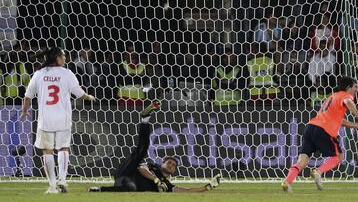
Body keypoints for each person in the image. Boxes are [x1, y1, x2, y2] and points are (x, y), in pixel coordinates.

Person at [88, 101, 221, 193]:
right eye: (169, 162)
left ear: (174, 171)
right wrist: (156, 179)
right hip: (127, 170)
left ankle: (98, 189)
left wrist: (207, 187)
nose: (171, 165)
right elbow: (141, 168)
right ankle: (145, 119)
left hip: (125, 182)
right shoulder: (154, 168)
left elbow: (186, 191)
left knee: (131, 189)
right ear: (162, 163)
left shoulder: (167, 186)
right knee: (142, 149)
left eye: (173, 165)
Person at [20, 47, 95, 194]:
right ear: (57, 58)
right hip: (63, 118)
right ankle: (62, 179)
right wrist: (89, 97)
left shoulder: (39, 74)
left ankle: (53, 186)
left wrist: (24, 110)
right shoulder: (67, 73)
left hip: (45, 119)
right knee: (63, 148)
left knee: (47, 151)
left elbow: (28, 96)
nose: (65, 58)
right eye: (64, 56)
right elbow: (79, 93)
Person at [282, 76, 358, 193]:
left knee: (302, 161)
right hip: (323, 130)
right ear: (348, 88)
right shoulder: (345, 95)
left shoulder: (332, 97)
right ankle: (317, 172)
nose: (356, 89)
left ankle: (287, 182)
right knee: (338, 157)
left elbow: (340, 121)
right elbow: (348, 102)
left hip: (310, 127)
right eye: (355, 87)